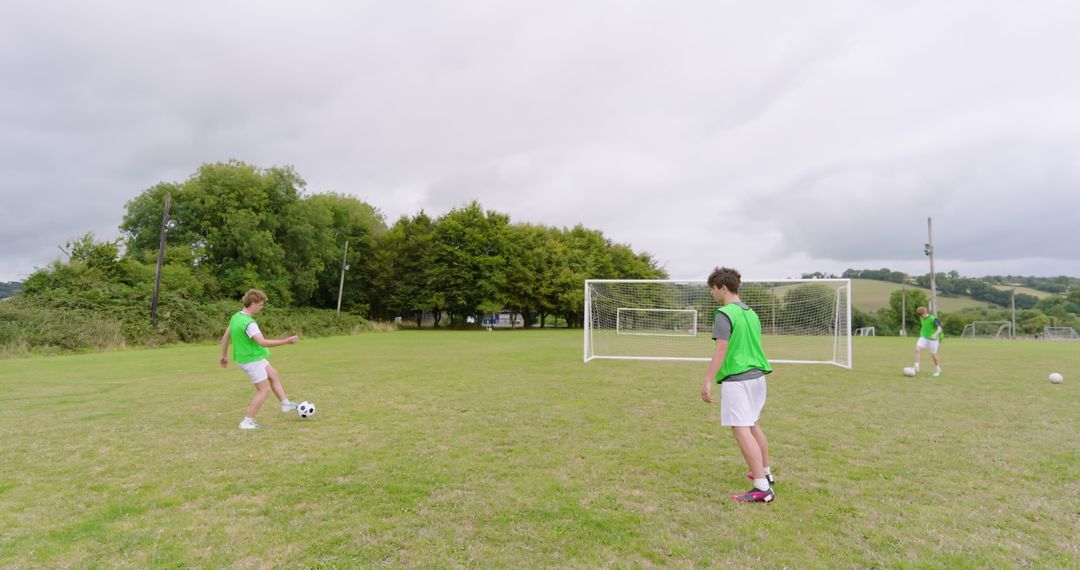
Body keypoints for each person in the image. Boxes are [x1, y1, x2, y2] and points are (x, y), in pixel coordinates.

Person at [700, 267, 775, 503]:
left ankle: (762, 488)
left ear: (723, 287)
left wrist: (708, 379)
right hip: (758, 378)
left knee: (740, 429)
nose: (712, 294)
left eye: (713, 289)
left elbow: (721, 349)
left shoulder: (724, 313)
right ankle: (766, 472)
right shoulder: (751, 312)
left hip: (738, 379)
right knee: (753, 425)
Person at [219, 289, 301, 430]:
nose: (262, 307)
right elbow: (262, 342)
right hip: (251, 360)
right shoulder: (249, 323)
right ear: (253, 304)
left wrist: (223, 355)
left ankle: (285, 404)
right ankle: (247, 422)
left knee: (273, 375)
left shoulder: (236, 317)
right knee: (264, 390)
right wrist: (287, 341)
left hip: (251, 358)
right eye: (261, 304)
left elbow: (225, 337)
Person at [913, 306, 943, 377]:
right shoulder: (921, 317)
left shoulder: (933, 319)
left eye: (921, 315)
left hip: (933, 339)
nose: (920, 317)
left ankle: (937, 368)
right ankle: (916, 366)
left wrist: (935, 335)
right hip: (924, 337)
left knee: (933, 354)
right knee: (917, 349)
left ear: (924, 313)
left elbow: (939, 329)